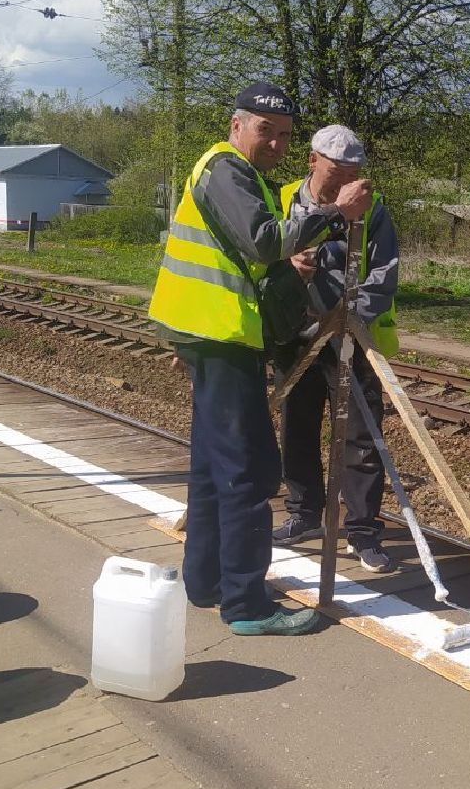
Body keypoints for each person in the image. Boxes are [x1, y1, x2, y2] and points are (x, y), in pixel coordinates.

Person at [149, 83, 373, 635]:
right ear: (236, 125)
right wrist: (329, 211)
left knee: (213, 468)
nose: (274, 143)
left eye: (284, 136)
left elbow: (252, 257)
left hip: (215, 333)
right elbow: (261, 240)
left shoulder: (239, 175)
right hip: (220, 336)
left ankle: (206, 582)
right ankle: (246, 604)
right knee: (250, 471)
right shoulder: (225, 169)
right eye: (264, 130)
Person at [272, 124, 401, 573]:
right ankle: (304, 514)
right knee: (297, 427)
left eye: (353, 172)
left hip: (351, 337)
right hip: (296, 334)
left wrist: (352, 317)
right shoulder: (284, 197)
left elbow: (384, 271)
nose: (346, 182)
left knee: (361, 438)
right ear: (311, 161)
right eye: (335, 171)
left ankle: (363, 531)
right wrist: (289, 268)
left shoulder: (373, 207)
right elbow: (260, 253)